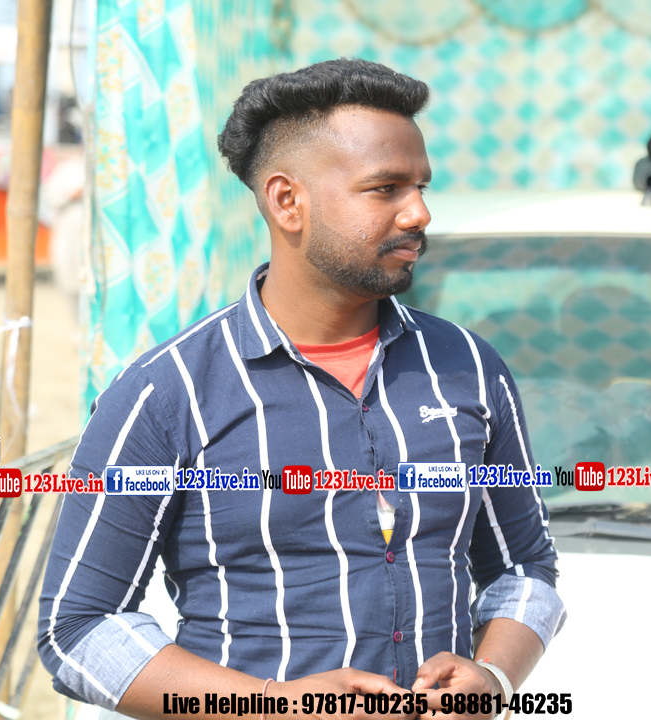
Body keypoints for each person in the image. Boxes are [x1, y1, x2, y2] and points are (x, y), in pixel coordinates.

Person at [38, 58, 565, 720]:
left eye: (422, 186)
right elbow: (80, 630)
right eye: (386, 189)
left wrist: (493, 675)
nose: (420, 212)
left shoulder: (467, 367)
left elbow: (524, 568)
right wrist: (273, 705)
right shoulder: (166, 393)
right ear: (288, 201)